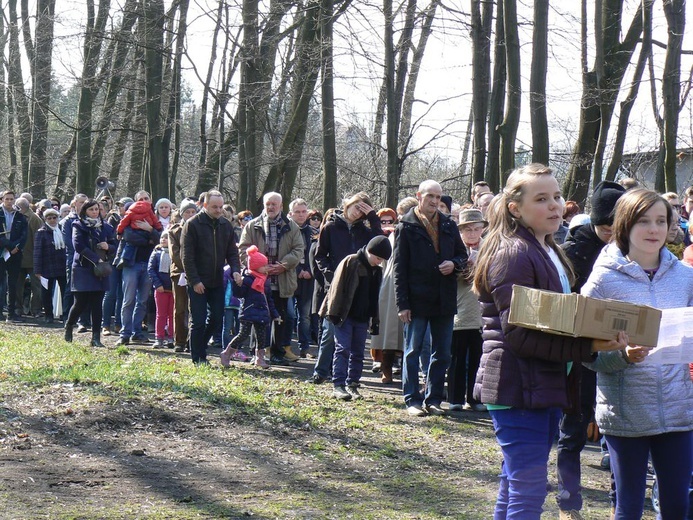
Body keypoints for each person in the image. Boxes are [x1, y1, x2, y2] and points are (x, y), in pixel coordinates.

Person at [471, 163, 627, 519]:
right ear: (515, 208)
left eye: (557, 196)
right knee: (528, 491)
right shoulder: (514, 253)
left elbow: (552, 321)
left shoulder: (546, 248)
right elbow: (520, 337)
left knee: (515, 485)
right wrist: (590, 347)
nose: (555, 205)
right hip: (517, 386)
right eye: (542, 199)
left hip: (539, 385)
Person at [581, 188, 693, 520]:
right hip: (626, 413)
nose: (654, 230)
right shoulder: (602, 281)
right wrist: (624, 356)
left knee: (677, 507)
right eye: (644, 221)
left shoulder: (686, 279)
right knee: (627, 508)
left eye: (661, 221)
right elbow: (587, 354)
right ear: (625, 225)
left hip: (678, 411)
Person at [556, 180, 625, 518]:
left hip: (619, 352)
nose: (612, 232)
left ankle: (619, 502)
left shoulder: (630, 252)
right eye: (605, 225)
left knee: (618, 435)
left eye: (618, 224)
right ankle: (568, 501)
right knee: (573, 431)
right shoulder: (573, 252)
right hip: (581, 354)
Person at [394, 180, 467, 417]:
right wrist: (402, 304)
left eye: (438, 196)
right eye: (430, 196)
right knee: (413, 350)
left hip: (444, 298)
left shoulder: (448, 224)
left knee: (442, 352)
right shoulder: (406, 226)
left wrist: (453, 264)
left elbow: (462, 255)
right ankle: (412, 399)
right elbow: (399, 269)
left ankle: (433, 398)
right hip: (416, 299)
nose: (435, 201)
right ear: (419, 196)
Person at [309, 192, 383, 383]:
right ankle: (321, 372)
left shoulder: (365, 232)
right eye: (356, 207)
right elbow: (320, 256)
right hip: (334, 286)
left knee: (352, 340)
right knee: (329, 333)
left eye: (363, 210)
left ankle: (346, 377)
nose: (358, 212)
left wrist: (373, 218)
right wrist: (330, 278)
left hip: (358, 289)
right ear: (348, 204)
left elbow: (379, 246)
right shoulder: (330, 227)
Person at [320, 235, 392, 400]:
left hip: (362, 317)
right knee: (342, 349)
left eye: (382, 260)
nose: (379, 262)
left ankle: (353, 384)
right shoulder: (351, 262)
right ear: (369, 251)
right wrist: (333, 313)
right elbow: (336, 288)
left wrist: (374, 319)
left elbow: (375, 297)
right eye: (378, 258)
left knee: (358, 353)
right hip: (344, 315)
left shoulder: (377, 270)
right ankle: (338, 385)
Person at [238, 192, 304, 365]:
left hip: (282, 279)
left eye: (275, 204)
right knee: (256, 317)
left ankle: (277, 353)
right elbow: (243, 249)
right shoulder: (252, 226)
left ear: (281, 206)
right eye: (268, 204)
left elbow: (298, 250)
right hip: (258, 282)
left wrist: (283, 264)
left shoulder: (292, 227)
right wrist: (257, 267)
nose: (271, 207)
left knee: (282, 317)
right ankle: (258, 353)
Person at [181, 190, 241, 365]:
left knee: (216, 318)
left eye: (221, 207)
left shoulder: (225, 225)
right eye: (215, 207)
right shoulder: (192, 225)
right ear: (205, 205)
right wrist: (195, 281)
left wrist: (236, 270)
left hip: (217, 280)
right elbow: (187, 257)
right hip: (198, 280)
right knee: (198, 320)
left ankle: (197, 345)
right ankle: (198, 357)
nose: (219, 210)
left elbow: (232, 252)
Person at [370, 197, 417, 384]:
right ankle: (386, 368)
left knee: (411, 332)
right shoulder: (394, 234)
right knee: (390, 329)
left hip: (413, 283)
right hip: (392, 284)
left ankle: (407, 372)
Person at [63, 199, 116, 348]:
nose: (94, 212)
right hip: (83, 268)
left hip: (100, 270)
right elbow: (78, 246)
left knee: (97, 304)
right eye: (91, 209)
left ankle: (96, 338)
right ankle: (69, 325)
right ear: (85, 210)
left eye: (97, 209)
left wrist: (108, 247)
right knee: (80, 303)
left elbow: (114, 245)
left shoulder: (106, 227)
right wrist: (96, 259)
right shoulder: (78, 225)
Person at [448, 208, 486, 412]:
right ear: (460, 231)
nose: (472, 233)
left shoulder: (489, 249)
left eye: (476, 229)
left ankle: (475, 398)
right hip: (459, 313)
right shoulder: (454, 249)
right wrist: (464, 265)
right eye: (467, 229)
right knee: (456, 358)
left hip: (481, 314)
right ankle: (454, 398)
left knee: (478, 359)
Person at [220, 245, 279, 369]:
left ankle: (260, 358)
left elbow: (269, 300)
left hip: (262, 313)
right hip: (248, 312)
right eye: (264, 265)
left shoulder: (265, 281)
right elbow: (239, 294)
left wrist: (275, 314)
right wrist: (237, 284)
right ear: (256, 266)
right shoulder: (247, 279)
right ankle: (227, 353)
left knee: (262, 336)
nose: (266, 268)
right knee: (243, 334)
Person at [116, 191, 161, 346]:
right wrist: (149, 239)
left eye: (146, 199)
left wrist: (150, 230)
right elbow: (129, 236)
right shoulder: (129, 217)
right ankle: (125, 333)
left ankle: (137, 332)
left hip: (148, 264)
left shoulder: (154, 220)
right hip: (131, 264)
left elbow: (160, 240)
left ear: (151, 200)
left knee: (142, 300)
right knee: (128, 300)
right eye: (140, 199)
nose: (143, 202)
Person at [288, 198, 317, 358]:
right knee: (289, 314)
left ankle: (304, 346)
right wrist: (298, 269)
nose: (301, 215)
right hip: (291, 278)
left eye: (303, 211)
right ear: (291, 214)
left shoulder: (314, 233)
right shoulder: (286, 231)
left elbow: (317, 255)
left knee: (305, 316)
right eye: (297, 212)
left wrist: (309, 271)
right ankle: (287, 346)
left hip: (308, 279)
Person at [168, 200, 197, 352]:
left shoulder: (199, 229)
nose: (190, 215)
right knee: (180, 308)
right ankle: (179, 341)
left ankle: (193, 341)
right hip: (179, 273)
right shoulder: (174, 231)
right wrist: (188, 268)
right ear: (182, 214)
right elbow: (175, 254)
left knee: (195, 308)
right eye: (187, 212)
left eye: (193, 212)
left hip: (197, 274)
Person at [33, 208, 67, 324]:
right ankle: (49, 315)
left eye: (54, 217)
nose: (52, 220)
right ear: (45, 219)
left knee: (65, 291)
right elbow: (37, 252)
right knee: (46, 292)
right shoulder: (41, 232)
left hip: (62, 265)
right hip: (47, 266)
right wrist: (37, 270)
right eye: (49, 218)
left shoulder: (62, 230)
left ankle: (65, 314)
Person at [0, 191, 28, 322]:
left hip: (16, 254)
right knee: (1, 283)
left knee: (13, 283)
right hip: (2, 252)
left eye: (12, 199)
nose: (9, 201)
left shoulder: (20, 216)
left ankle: (11, 313)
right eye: (7, 199)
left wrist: (17, 247)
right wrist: (9, 246)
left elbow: (24, 234)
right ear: (2, 199)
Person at [13, 197, 43, 317]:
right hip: (18, 257)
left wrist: (39, 256)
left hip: (33, 258)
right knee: (17, 285)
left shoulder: (34, 219)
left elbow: (39, 238)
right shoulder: (16, 217)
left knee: (36, 286)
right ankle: (18, 308)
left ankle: (35, 309)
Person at [148, 231, 174, 349]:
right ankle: (159, 338)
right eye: (162, 237)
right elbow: (151, 270)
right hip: (161, 289)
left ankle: (171, 338)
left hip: (173, 290)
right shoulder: (156, 253)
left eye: (167, 238)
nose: (163, 239)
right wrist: (157, 284)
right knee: (161, 314)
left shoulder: (175, 254)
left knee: (172, 315)